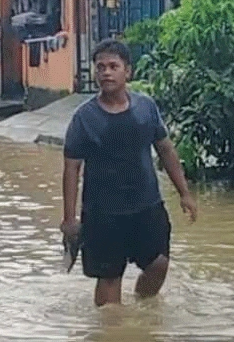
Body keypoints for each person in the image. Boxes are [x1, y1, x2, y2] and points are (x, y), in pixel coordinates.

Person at [60, 39, 198, 307]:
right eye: (100, 67)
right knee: (110, 278)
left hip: (146, 206)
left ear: (128, 72)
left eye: (113, 66)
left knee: (159, 263)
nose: (106, 73)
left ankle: (143, 308)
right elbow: (71, 168)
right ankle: (111, 339)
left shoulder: (146, 109)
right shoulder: (84, 118)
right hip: (103, 213)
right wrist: (69, 218)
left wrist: (185, 194)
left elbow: (166, 150)